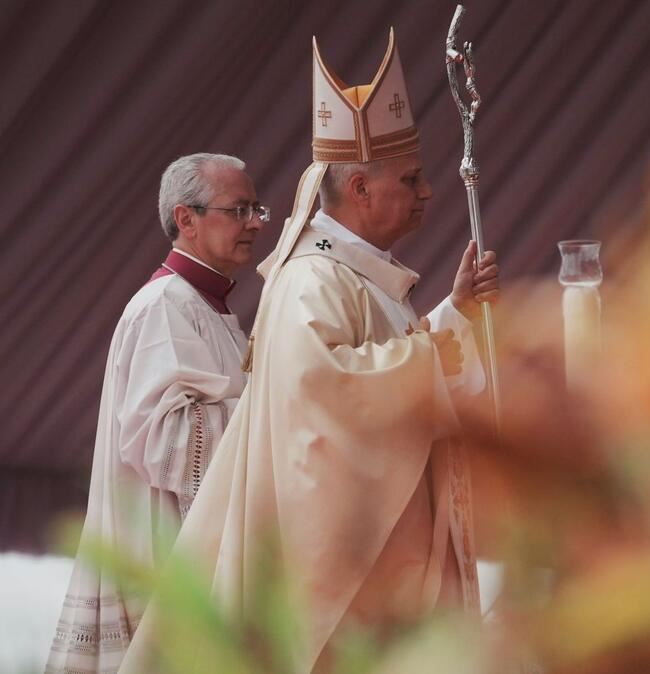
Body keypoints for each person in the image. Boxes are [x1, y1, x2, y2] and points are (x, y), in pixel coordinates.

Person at [119, 29, 499, 673]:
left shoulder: (358, 276)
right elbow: (324, 397)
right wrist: (432, 358)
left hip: (387, 554)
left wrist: (453, 315)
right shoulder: (311, 280)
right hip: (348, 576)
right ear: (360, 190)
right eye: (410, 178)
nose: (428, 192)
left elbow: (383, 362)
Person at [45, 153, 267, 673]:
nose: (255, 223)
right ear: (186, 219)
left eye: (257, 209)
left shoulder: (205, 306)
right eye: (238, 210)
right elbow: (165, 443)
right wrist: (272, 406)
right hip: (165, 557)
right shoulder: (165, 304)